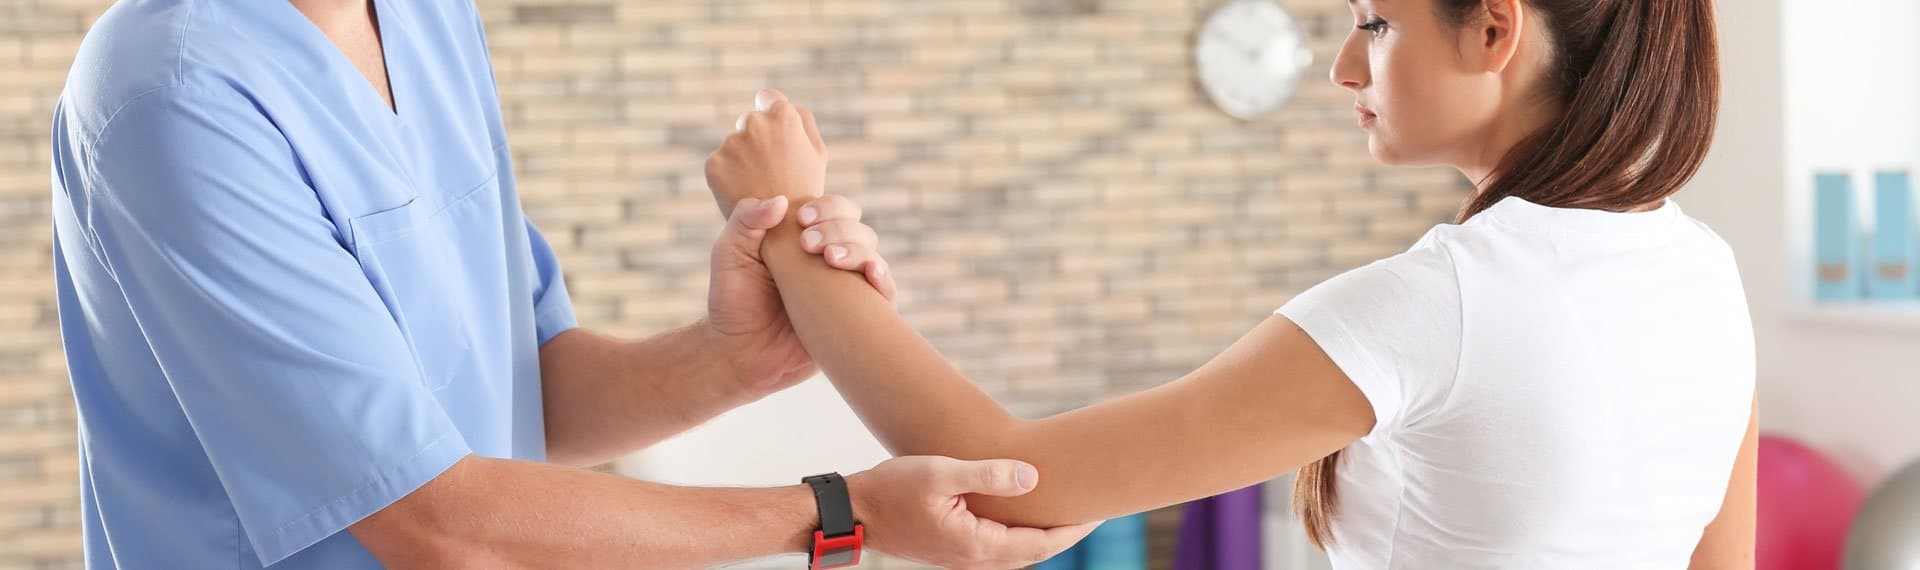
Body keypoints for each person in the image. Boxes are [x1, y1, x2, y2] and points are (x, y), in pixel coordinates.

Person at [706, 0, 1757, 567]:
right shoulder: (1706, 274)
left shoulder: (1442, 302)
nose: (1347, 67)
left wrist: (793, 230)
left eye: (1375, 21)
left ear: (1493, 27)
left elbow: (1004, 479)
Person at [49, 0, 1093, 568]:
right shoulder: (173, 92)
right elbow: (432, 522)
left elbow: (521, 392)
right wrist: (838, 510)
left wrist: (733, 359)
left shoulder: (427, 18)